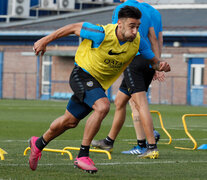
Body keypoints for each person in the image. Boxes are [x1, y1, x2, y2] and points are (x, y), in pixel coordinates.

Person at [30, 6, 170, 174]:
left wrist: (160, 65)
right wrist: (45, 40)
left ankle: (38, 144)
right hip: (81, 74)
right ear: (120, 24)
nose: (135, 31)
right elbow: (73, 27)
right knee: (103, 106)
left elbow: (153, 60)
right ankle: (83, 155)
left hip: (98, 84)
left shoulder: (138, 41)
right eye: (132, 26)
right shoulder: (100, 33)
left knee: (70, 121)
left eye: (137, 27)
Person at [91, 0, 166, 159]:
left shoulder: (122, 10)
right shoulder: (148, 12)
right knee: (120, 101)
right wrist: (156, 63)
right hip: (147, 59)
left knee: (139, 104)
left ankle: (149, 146)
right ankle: (109, 141)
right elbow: (154, 38)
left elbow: (113, 34)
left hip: (134, 58)